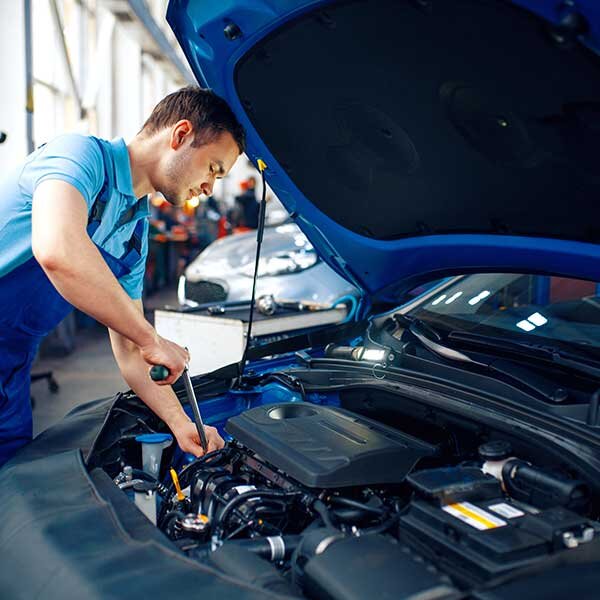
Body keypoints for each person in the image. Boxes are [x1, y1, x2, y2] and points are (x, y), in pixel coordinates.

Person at [0, 86, 245, 466]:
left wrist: (181, 423)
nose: (210, 188)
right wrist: (152, 338)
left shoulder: (133, 232)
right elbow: (57, 249)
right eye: (213, 168)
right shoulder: (79, 156)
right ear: (180, 135)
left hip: (11, 366)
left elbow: (130, 348)